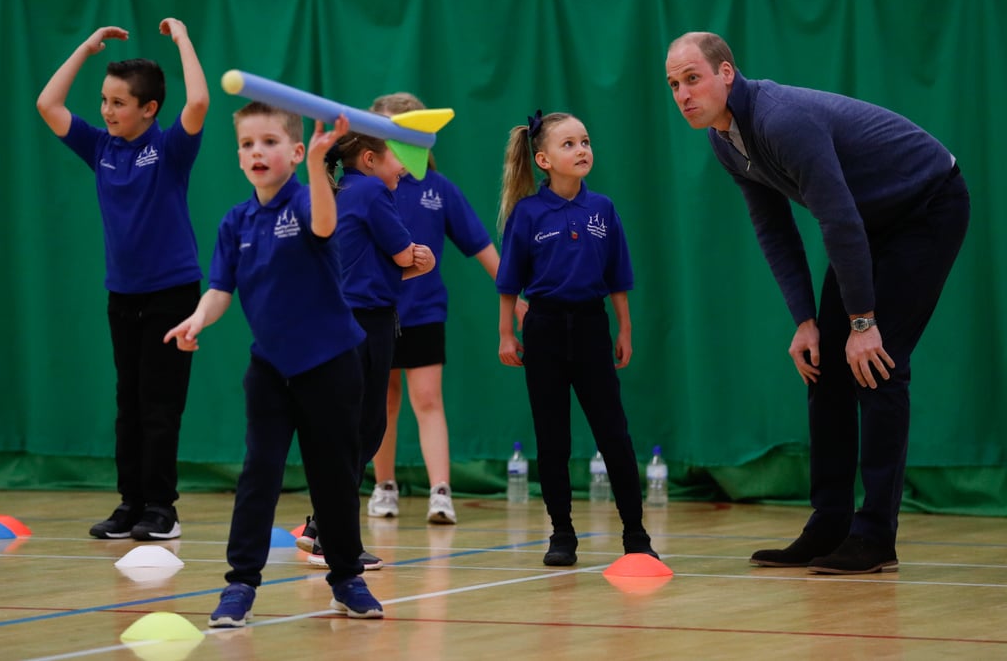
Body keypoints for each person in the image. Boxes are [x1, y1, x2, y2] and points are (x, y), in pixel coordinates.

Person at [664, 32, 970, 575]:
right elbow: (773, 227)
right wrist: (806, 320)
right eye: (673, 85)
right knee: (825, 362)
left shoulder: (782, 120)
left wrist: (863, 322)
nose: (683, 93)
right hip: (870, 220)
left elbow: (837, 220)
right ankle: (830, 522)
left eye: (693, 78)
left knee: (878, 363)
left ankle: (875, 535)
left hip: (927, 205)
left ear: (726, 73)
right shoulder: (724, 139)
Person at [164, 103, 383, 624]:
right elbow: (220, 289)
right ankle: (240, 586)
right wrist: (197, 320)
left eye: (268, 142)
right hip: (270, 370)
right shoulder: (235, 221)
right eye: (246, 144)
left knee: (332, 476)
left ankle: (346, 577)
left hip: (331, 364)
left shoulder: (308, 202)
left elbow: (326, 225)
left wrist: (319, 166)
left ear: (296, 151)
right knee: (258, 474)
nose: (256, 152)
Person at [36, 20, 208, 541]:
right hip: (123, 295)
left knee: (160, 405)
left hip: (172, 295)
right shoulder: (100, 149)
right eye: (104, 100)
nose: (107, 111)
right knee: (128, 403)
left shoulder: (170, 150)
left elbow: (197, 103)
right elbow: (48, 105)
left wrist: (183, 38)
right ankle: (130, 503)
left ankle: (162, 509)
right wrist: (86, 47)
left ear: (149, 109)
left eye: (119, 103)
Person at [495, 110, 659, 566]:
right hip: (543, 330)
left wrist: (623, 328)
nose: (582, 149)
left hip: (591, 328)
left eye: (585, 141)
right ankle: (561, 533)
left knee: (614, 434)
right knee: (553, 440)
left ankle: (635, 534)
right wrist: (507, 333)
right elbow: (509, 281)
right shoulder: (527, 213)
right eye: (569, 144)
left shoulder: (602, 209)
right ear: (543, 159)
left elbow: (617, 275)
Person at [365, 92, 526, 525]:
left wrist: (517, 301)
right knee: (382, 402)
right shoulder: (366, 188)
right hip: (373, 312)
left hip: (423, 312)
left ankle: (440, 492)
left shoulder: (439, 190)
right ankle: (384, 487)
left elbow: (482, 247)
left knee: (428, 399)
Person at [296, 123, 435, 568]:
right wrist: (420, 255)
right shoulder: (372, 193)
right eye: (396, 157)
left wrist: (415, 261)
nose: (404, 169)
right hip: (365, 324)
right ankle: (331, 538)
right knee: (364, 428)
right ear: (371, 160)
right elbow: (402, 258)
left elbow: (391, 271)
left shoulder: (343, 194)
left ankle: (322, 526)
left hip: (348, 318)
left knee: (355, 428)